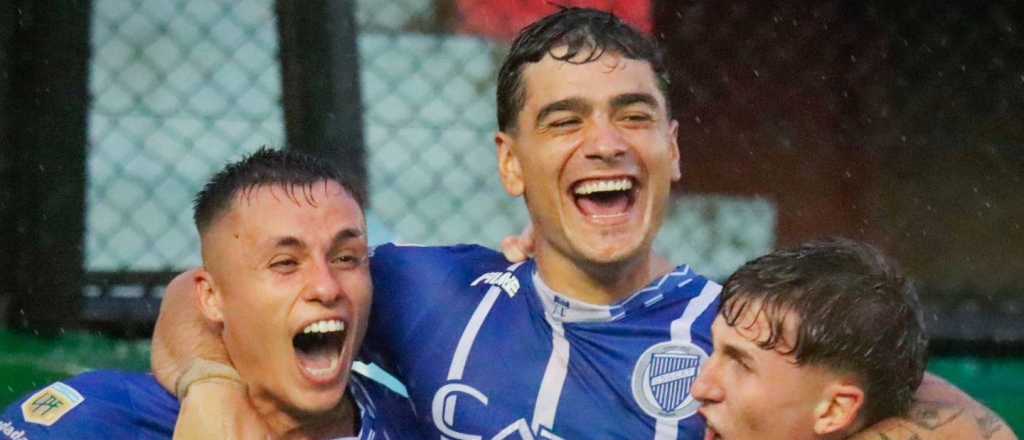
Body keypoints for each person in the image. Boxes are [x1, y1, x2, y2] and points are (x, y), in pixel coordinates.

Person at [154, 7, 1014, 440]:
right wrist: (209, 384)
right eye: (564, 121)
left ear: (673, 148)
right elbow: (204, 297)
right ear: (511, 164)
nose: (605, 143)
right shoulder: (428, 291)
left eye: (634, 116)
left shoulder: (742, 338)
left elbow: (964, 423)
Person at [0, 148, 415, 439]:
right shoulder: (95, 423)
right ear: (211, 298)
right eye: (286, 263)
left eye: (346, 258)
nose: (326, 287)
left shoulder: (417, 427)